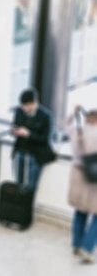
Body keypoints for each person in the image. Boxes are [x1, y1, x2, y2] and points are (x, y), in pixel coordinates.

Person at [67, 106, 97, 264]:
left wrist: (74, 111)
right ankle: (87, 248)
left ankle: (76, 245)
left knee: (80, 211)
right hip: (94, 180)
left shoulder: (77, 131)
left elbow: (66, 123)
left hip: (78, 176)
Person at [11, 88, 53, 190]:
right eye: (23, 105)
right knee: (18, 183)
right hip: (20, 151)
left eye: (27, 105)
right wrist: (15, 131)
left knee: (31, 186)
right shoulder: (19, 111)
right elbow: (15, 126)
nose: (24, 108)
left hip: (36, 154)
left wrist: (28, 134)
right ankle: (18, 204)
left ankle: (27, 205)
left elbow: (45, 139)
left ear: (35, 103)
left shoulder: (46, 116)